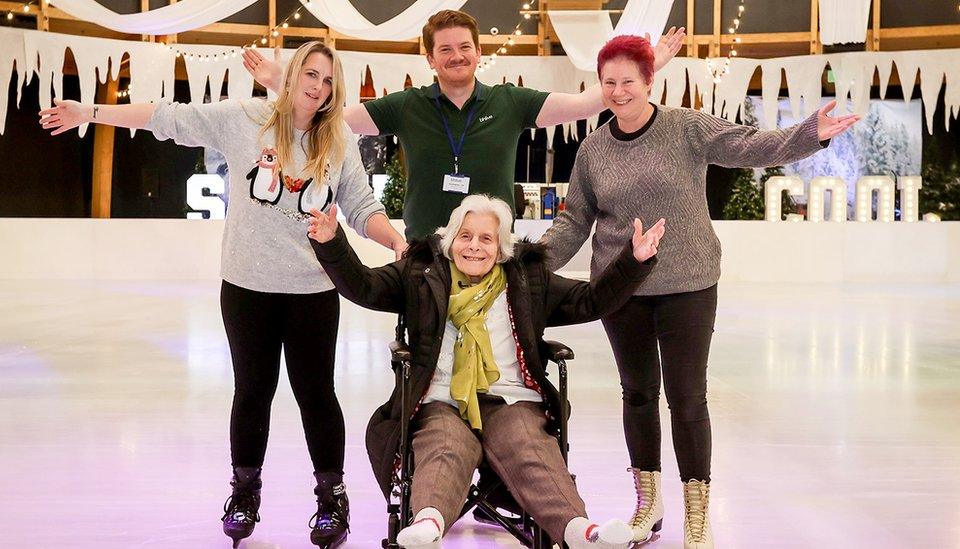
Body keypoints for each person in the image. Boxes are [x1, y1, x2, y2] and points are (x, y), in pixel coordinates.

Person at [40, 41, 407, 549]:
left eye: (327, 80)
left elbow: (362, 206)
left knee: (316, 395)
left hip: (312, 292)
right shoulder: (246, 119)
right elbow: (168, 117)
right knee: (252, 391)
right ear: (292, 73)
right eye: (311, 74)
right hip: (247, 289)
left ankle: (331, 497)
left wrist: (396, 241)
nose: (317, 87)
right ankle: (244, 492)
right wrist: (91, 111)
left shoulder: (338, 138)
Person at [541, 35, 861, 549]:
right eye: (609, 83)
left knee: (687, 397)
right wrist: (527, 265)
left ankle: (697, 512)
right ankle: (649, 505)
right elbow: (575, 221)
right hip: (621, 290)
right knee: (638, 395)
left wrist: (808, 136)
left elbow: (748, 146)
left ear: (650, 80)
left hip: (688, 285)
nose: (619, 91)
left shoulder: (684, 128)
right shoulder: (593, 149)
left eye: (628, 81)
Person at [306, 194, 664, 548]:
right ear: (450, 240)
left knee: (529, 445)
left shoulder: (526, 278)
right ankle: (427, 525)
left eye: (486, 238)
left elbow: (591, 300)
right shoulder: (421, 272)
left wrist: (632, 262)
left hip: (511, 397)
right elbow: (364, 286)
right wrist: (332, 242)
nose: (474, 246)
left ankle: (581, 531)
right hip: (441, 398)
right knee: (444, 445)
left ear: (502, 247)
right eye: (465, 236)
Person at [243, 9, 685, 239]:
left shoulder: (510, 102)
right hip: (424, 253)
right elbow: (334, 113)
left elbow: (587, 102)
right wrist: (282, 81)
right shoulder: (406, 105)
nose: (457, 56)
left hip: (491, 252)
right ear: (430, 58)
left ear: (478, 52)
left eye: (465, 47)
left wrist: (651, 67)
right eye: (446, 49)